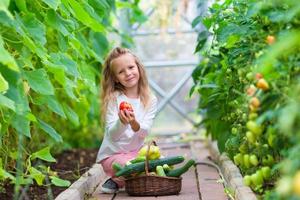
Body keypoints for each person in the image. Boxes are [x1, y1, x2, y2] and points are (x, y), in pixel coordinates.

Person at [96, 47, 158, 193]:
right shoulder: (114, 99)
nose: (128, 73)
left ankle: (124, 179)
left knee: (158, 159)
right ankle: (117, 179)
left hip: (135, 154)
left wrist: (134, 123)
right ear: (116, 78)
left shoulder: (150, 99)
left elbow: (144, 132)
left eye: (131, 67)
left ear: (138, 68)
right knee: (131, 166)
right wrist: (122, 122)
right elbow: (113, 135)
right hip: (113, 156)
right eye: (121, 71)